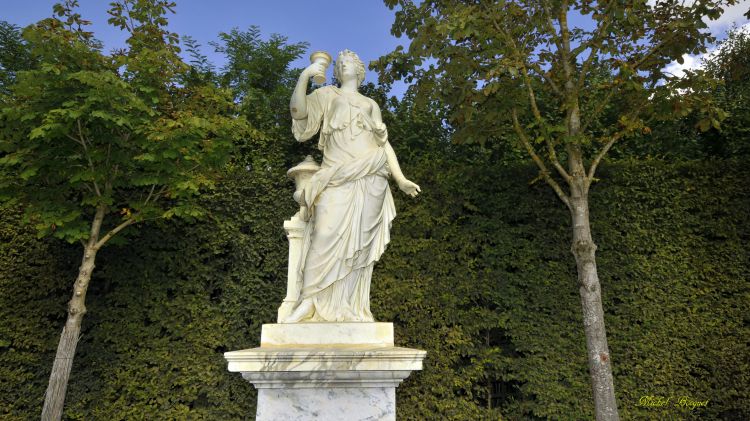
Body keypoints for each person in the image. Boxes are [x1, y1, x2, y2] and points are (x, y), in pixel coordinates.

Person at [284, 50, 419, 322]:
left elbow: (383, 142)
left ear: (359, 71)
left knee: (359, 246)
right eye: (341, 63)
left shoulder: (370, 103)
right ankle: (309, 300)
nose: (344, 65)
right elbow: (298, 111)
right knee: (324, 233)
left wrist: (400, 178)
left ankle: (348, 306)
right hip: (335, 175)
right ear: (335, 71)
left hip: (372, 176)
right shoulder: (327, 95)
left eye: (350, 63)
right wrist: (305, 76)